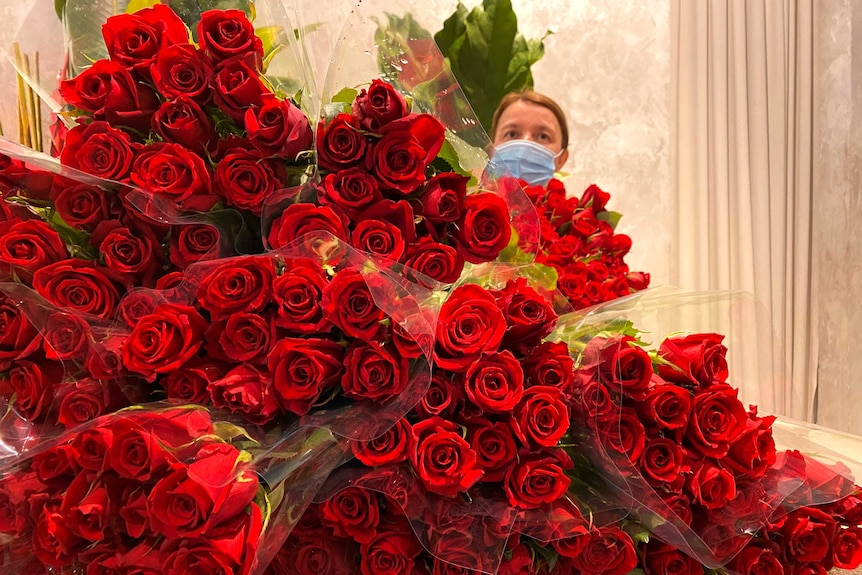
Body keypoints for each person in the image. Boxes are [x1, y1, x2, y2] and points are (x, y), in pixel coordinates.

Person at [487, 91, 570, 186]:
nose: (525, 143)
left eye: (543, 136)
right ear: (492, 151)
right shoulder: (468, 198)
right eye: (512, 134)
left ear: (561, 159)